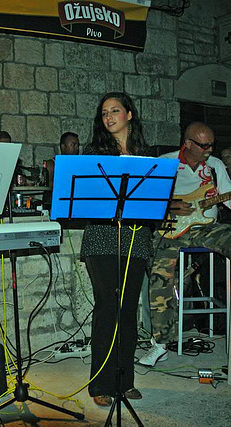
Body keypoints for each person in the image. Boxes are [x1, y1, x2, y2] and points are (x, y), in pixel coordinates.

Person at [140, 121, 231, 367]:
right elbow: (146, 199)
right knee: (160, 277)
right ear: (187, 144)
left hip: (205, 227)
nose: (208, 150)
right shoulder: (165, 163)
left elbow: (230, 203)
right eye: (203, 145)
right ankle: (160, 345)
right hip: (172, 230)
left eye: (211, 145)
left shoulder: (215, 166)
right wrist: (172, 206)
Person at [80, 92, 153, 407]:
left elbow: (155, 203)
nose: (108, 117)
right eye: (104, 112)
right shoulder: (94, 153)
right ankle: (101, 384)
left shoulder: (146, 157)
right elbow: (85, 201)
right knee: (108, 308)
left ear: (129, 115)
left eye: (115, 111)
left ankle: (125, 381)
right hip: (101, 238)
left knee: (128, 311)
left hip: (136, 239)